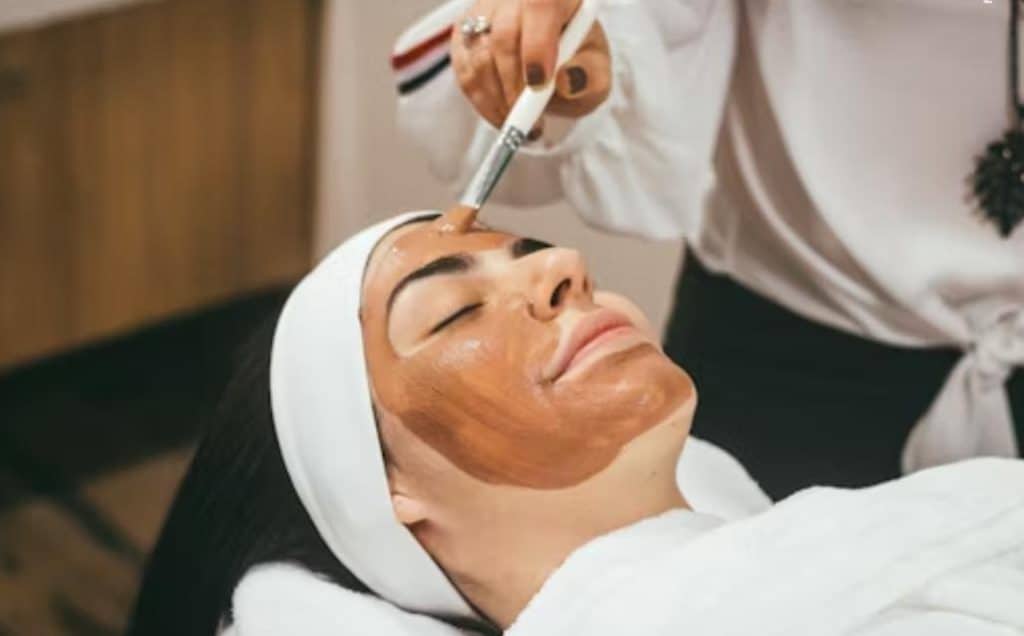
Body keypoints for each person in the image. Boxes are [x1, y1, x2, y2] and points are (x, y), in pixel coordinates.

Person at [128, 208, 1024, 635]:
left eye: (526, 253)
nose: (562, 264)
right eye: (451, 315)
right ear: (385, 487)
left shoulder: (831, 555)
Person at [391, 0, 1024, 499]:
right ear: (396, 494)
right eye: (453, 310)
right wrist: (575, 43)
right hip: (790, 375)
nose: (564, 264)